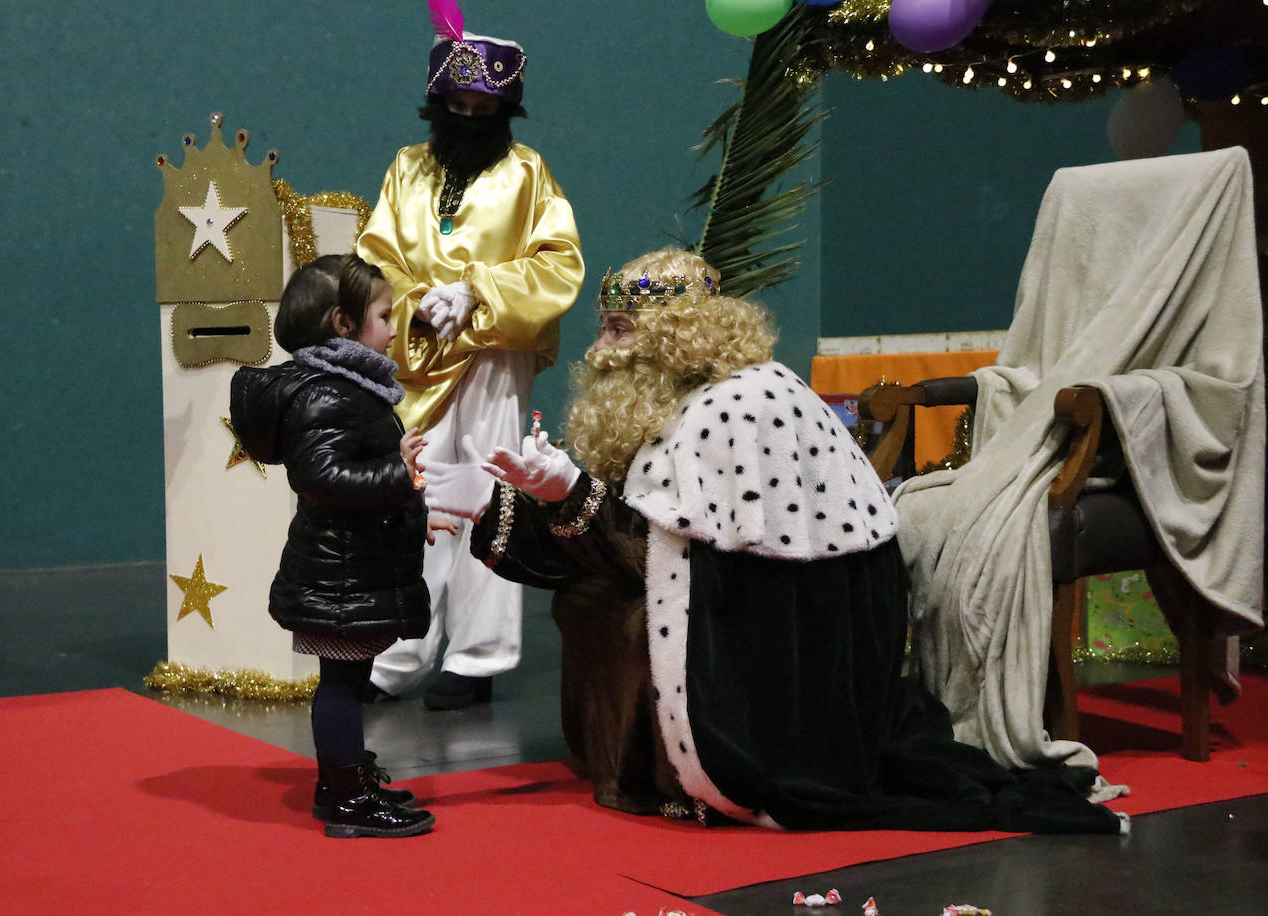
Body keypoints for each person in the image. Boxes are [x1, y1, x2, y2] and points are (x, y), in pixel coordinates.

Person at [426, 247, 1126, 834]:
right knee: (588, 594)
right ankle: (638, 767)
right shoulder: (685, 398)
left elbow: (673, 560)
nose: (598, 351)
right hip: (746, 594)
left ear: (672, 336)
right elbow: (657, 545)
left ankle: (677, 774)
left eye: (617, 331)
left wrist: (570, 494)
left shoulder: (735, 407)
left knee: (616, 609)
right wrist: (524, 499)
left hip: (788, 632)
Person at [355, 3, 585, 710]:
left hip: (491, 355)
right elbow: (376, 256)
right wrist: (418, 299)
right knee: (412, 493)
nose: (470, 116)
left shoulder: (528, 173)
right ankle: (395, 653)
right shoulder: (407, 170)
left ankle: (479, 657)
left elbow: (558, 263)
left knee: (490, 491)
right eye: (458, 105)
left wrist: (478, 291)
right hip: (417, 355)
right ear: (438, 103)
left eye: (485, 107)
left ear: (506, 109)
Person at [229, 253, 455, 838]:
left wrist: (412, 510)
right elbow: (323, 478)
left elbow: (356, 476)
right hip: (340, 572)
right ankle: (345, 795)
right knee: (341, 683)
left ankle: (344, 780)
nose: (393, 327)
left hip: (353, 564)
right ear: (343, 324)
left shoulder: (351, 387)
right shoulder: (328, 393)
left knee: (348, 678)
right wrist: (400, 474)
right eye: (383, 315)